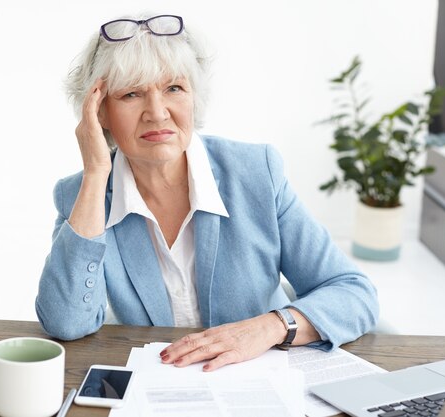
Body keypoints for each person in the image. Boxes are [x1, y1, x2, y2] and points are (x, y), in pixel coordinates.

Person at [36, 13, 379, 371]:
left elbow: (353, 293)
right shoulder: (80, 195)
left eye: (174, 88)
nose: (156, 113)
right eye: (131, 94)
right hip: (159, 392)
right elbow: (66, 323)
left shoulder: (256, 171)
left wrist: (270, 327)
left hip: (262, 386)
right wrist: (95, 175)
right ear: (99, 112)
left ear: (194, 97)